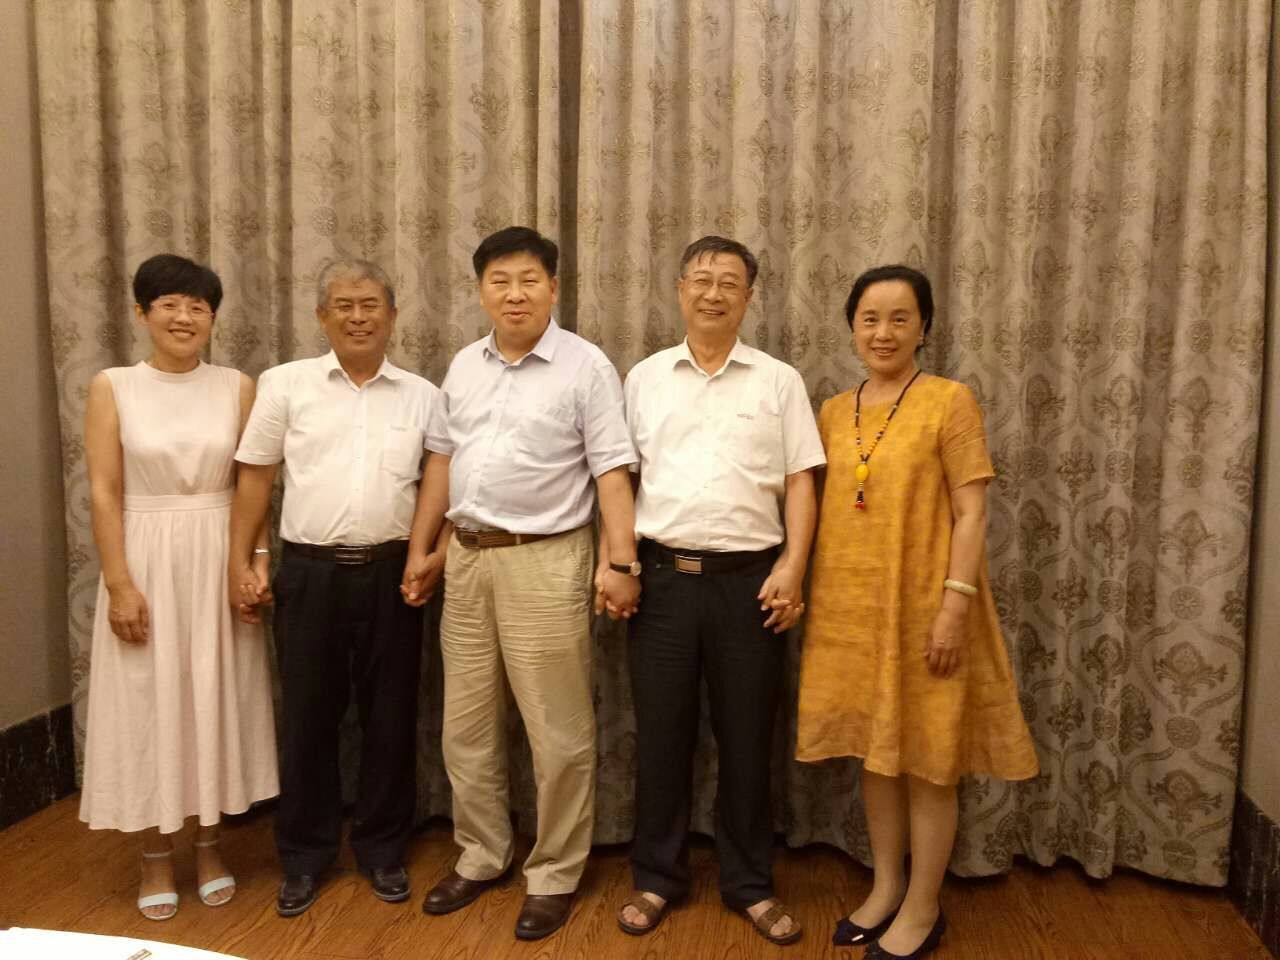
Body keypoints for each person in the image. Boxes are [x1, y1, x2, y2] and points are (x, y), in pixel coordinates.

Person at [795, 264, 1039, 959]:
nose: (884, 332)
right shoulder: (832, 411)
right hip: (850, 614)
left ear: (924, 328)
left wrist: (955, 605)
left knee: (930, 759)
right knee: (877, 755)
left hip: (930, 608)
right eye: (870, 318)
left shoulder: (949, 401)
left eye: (900, 318)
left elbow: (972, 512)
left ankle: (925, 906)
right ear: (851, 327)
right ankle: (886, 888)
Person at [405, 226, 639, 941]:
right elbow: (442, 461)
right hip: (467, 557)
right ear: (481, 290)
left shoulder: (585, 366)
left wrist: (621, 562)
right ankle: (481, 854)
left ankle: (556, 872)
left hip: (547, 558)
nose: (515, 294)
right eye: (500, 281)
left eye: (529, 280)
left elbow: (612, 471)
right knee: (466, 726)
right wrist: (425, 547)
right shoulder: (464, 365)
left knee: (557, 731)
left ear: (553, 288)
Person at [611, 235, 825, 946]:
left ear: (749, 297)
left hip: (750, 585)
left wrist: (793, 565)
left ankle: (749, 883)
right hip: (662, 583)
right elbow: (618, 479)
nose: (713, 293)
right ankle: (656, 876)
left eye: (729, 282)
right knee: (661, 737)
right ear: (679, 290)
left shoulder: (778, 381)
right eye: (700, 279)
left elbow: (801, 479)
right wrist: (617, 564)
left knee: (747, 737)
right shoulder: (644, 378)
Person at [229, 259, 441, 917]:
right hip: (309, 573)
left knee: (391, 718)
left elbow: (440, 483)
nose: (358, 316)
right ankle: (304, 855)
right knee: (308, 718)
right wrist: (244, 559)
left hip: (392, 573)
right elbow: (256, 477)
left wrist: (426, 555)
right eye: (343, 305)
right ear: (321, 316)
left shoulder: (423, 395)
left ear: (393, 316)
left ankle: (382, 849)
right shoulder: (285, 385)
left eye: (370, 304)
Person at [80, 254, 279, 921]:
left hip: (219, 551)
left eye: (198, 306)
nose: (184, 317)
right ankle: (155, 854)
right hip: (145, 554)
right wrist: (119, 583)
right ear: (141, 313)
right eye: (169, 304)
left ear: (213, 318)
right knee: (148, 699)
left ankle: (211, 844)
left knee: (214, 695)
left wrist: (253, 561)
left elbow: (253, 483)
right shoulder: (113, 387)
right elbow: (103, 490)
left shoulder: (237, 386)